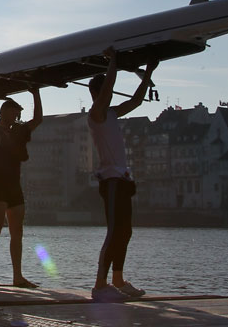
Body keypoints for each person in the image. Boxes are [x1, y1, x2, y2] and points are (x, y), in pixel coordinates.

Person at [87, 47, 158, 301]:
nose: (109, 95)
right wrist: (113, 60)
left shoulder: (112, 114)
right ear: (98, 93)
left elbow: (136, 101)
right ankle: (99, 285)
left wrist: (148, 72)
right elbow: (109, 87)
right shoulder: (95, 115)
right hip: (112, 181)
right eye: (105, 91)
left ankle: (117, 279)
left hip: (123, 181)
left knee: (125, 231)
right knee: (114, 231)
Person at [0, 78, 42, 289]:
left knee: (17, 232)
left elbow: (38, 119)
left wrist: (35, 92)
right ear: (5, 112)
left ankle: (18, 277)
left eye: (18, 113)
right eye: (14, 112)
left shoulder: (19, 131)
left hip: (15, 186)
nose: (17, 116)